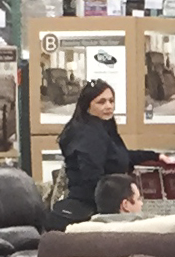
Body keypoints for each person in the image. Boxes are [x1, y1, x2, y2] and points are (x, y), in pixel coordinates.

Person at [57, 79, 147, 219]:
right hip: (92, 207)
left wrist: (154, 156)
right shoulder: (88, 135)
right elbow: (92, 178)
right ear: (87, 106)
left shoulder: (104, 127)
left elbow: (119, 155)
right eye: (101, 102)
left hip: (102, 204)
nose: (108, 106)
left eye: (111, 101)